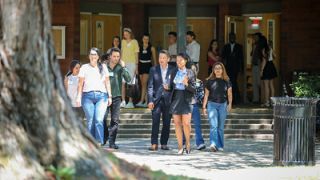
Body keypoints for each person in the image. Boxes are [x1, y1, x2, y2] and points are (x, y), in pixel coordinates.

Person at [77, 47, 112, 146]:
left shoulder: (103, 67)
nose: (93, 56)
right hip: (87, 96)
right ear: (88, 56)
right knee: (90, 120)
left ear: (98, 56)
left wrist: (110, 96)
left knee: (99, 119)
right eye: (91, 54)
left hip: (102, 96)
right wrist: (78, 97)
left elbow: (107, 82)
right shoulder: (84, 67)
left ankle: (99, 142)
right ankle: (90, 143)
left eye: (95, 54)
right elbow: (80, 84)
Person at [147, 50, 175, 151]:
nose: (161, 60)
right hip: (156, 100)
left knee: (167, 122)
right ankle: (154, 143)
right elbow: (150, 86)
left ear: (168, 59)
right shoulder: (153, 69)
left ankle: (164, 143)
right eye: (160, 58)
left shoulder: (173, 69)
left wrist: (170, 87)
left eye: (163, 58)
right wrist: (150, 100)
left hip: (168, 100)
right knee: (155, 121)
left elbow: (175, 85)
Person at [104, 48, 131, 149]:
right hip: (104, 96)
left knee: (114, 120)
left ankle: (112, 142)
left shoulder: (120, 67)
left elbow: (128, 79)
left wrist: (124, 67)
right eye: (114, 56)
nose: (116, 58)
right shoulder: (104, 67)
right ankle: (105, 136)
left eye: (118, 57)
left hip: (117, 97)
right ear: (110, 56)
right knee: (102, 118)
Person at [203, 62, 232, 152]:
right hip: (212, 104)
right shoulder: (209, 81)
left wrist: (230, 104)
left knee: (220, 127)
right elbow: (206, 95)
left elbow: (230, 94)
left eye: (220, 68)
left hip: (223, 105)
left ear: (222, 70)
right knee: (213, 126)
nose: (218, 70)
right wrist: (204, 107)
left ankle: (220, 145)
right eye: (216, 68)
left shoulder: (227, 81)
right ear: (213, 70)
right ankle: (213, 144)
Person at [170, 53, 196, 155]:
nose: (178, 62)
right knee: (177, 123)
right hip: (176, 98)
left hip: (187, 99)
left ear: (185, 61)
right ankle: (180, 146)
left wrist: (186, 84)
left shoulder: (190, 72)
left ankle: (188, 144)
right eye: (177, 60)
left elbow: (194, 89)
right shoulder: (174, 71)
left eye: (180, 60)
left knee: (186, 123)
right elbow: (172, 86)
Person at [221, 32, 243, 105]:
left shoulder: (239, 46)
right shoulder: (226, 46)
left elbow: (241, 58)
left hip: (235, 68)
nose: (232, 38)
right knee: (230, 82)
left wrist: (241, 69)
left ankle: (235, 99)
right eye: (230, 37)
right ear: (229, 38)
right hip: (228, 68)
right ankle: (233, 99)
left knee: (233, 82)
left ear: (235, 38)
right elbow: (223, 57)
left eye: (233, 37)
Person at [136, 33, 157, 108]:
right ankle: (146, 100)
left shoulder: (152, 48)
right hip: (141, 65)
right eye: (144, 39)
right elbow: (137, 59)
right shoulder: (139, 47)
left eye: (147, 39)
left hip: (148, 65)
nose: (146, 40)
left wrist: (156, 70)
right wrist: (136, 68)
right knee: (142, 84)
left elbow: (154, 60)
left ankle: (141, 101)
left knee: (144, 83)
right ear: (142, 39)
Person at [120, 28, 139, 108]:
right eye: (124, 34)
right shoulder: (123, 42)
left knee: (131, 83)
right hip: (124, 64)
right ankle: (123, 101)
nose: (125, 35)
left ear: (130, 33)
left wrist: (136, 66)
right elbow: (121, 52)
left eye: (127, 33)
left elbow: (136, 54)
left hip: (132, 64)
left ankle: (130, 102)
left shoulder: (135, 42)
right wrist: (120, 62)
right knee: (123, 83)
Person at [190, 64, 206, 150]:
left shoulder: (199, 82)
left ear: (197, 71)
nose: (193, 72)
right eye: (191, 70)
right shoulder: (185, 80)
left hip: (195, 105)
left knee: (197, 125)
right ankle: (184, 143)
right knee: (185, 125)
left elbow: (201, 95)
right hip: (185, 105)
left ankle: (200, 143)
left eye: (194, 70)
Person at [260, 39, 277, 107]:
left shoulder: (264, 50)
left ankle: (266, 102)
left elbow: (264, 61)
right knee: (271, 85)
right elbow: (275, 57)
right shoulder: (272, 49)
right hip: (271, 66)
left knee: (266, 85)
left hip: (266, 67)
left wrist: (261, 70)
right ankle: (272, 102)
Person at [251, 32, 263, 103]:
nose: (254, 38)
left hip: (259, 65)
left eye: (256, 37)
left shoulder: (260, 46)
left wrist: (260, 66)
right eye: (254, 37)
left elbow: (260, 57)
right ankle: (256, 99)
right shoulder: (254, 45)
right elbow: (252, 54)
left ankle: (262, 98)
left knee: (259, 82)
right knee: (255, 83)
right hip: (254, 65)